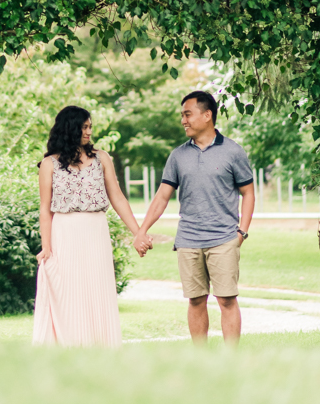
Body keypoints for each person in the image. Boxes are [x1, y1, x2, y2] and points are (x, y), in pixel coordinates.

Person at [135, 90, 255, 343]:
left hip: (224, 237)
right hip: (189, 239)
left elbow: (248, 192)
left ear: (207, 115)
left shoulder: (233, 151)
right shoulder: (178, 156)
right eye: (182, 115)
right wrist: (141, 230)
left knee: (226, 299)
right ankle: (200, 360)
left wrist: (241, 232)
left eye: (188, 114)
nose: (183, 121)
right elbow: (161, 197)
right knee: (196, 299)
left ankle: (231, 361)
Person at [32, 105, 150, 347]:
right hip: (64, 232)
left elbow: (117, 197)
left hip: (95, 231)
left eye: (90, 127)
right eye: (84, 127)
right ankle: (72, 346)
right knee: (70, 292)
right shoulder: (49, 164)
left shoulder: (102, 158)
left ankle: (102, 346)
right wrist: (47, 248)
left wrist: (138, 232)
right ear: (70, 128)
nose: (89, 132)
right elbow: (45, 209)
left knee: (97, 290)